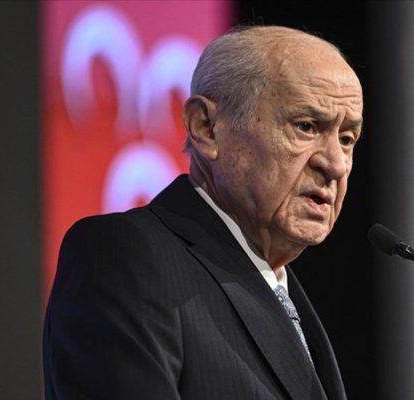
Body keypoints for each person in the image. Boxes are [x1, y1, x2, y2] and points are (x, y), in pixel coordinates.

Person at [43, 25, 363, 400]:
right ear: (206, 128)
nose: (336, 164)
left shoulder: (285, 294)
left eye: (346, 138)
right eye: (306, 126)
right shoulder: (122, 257)